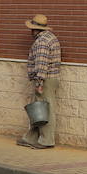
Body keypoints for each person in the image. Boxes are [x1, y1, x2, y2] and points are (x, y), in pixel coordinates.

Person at [17, 14, 61, 149]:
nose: (31, 31)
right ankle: (31, 137)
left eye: (32, 29)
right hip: (50, 78)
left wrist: (39, 83)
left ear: (36, 29)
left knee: (45, 111)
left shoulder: (42, 42)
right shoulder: (50, 38)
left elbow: (41, 63)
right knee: (38, 110)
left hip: (45, 80)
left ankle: (47, 141)